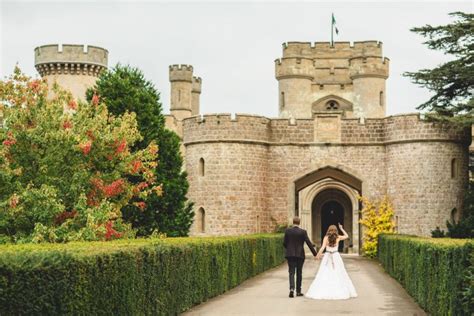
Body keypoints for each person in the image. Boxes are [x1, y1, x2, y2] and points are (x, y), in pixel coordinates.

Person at [305, 223, 357, 300]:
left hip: (327, 256)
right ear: (336, 231)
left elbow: (322, 248)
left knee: (324, 272)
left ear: (328, 230)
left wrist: (317, 255)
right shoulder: (338, 237)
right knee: (338, 272)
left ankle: (325, 289)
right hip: (336, 256)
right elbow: (347, 236)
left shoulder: (326, 238)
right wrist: (341, 228)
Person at [283, 216, 318, 298]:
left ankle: (291, 289)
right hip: (300, 255)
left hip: (290, 255)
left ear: (293, 222)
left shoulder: (288, 231)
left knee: (291, 272)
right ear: (299, 223)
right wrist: (315, 254)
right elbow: (309, 243)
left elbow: (284, 243)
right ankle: (298, 291)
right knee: (299, 273)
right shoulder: (303, 232)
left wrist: (289, 249)